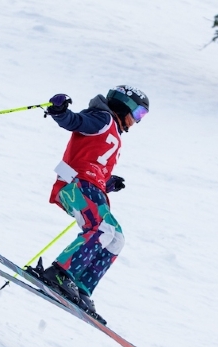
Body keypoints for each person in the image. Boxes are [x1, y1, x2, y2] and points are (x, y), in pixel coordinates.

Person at [25, 86, 150, 324]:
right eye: (139, 114)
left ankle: (81, 286)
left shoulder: (111, 131)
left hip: (91, 188)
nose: (137, 122)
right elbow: (75, 122)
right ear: (126, 106)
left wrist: (106, 182)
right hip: (75, 186)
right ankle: (61, 273)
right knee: (101, 228)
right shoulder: (102, 119)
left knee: (116, 239)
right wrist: (60, 112)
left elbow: (92, 161)